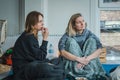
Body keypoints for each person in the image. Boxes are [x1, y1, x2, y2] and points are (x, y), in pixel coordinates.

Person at [11, 11, 64, 80]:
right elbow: (41, 57)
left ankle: (57, 73)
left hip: (33, 64)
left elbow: (38, 57)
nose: (43, 23)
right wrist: (45, 39)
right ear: (32, 24)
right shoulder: (28, 38)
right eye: (40, 21)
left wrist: (46, 62)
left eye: (42, 21)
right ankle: (59, 73)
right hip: (22, 71)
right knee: (47, 68)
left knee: (58, 60)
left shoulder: (31, 36)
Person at [58, 13, 106, 80]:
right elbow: (62, 51)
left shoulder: (88, 33)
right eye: (79, 22)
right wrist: (79, 59)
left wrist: (86, 59)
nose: (82, 23)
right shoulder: (67, 35)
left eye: (83, 21)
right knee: (70, 41)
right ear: (74, 25)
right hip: (74, 61)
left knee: (92, 41)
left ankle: (86, 69)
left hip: (87, 61)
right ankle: (78, 71)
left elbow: (100, 48)